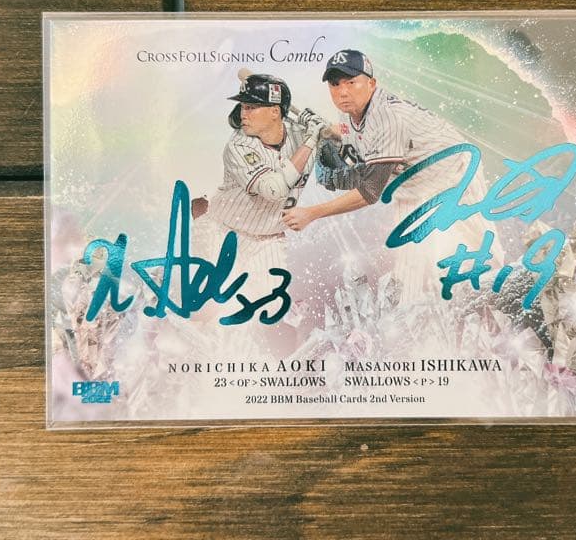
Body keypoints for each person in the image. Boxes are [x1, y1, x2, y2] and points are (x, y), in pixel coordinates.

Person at [282, 49, 503, 304]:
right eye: (335, 84)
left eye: (351, 82)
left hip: (454, 171)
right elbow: (354, 133)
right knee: (408, 272)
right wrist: (327, 130)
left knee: (485, 253)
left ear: (371, 83)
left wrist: (312, 213)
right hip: (411, 181)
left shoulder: (388, 117)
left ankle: (509, 294)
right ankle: (412, 317)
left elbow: (370, 192)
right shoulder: (350, 109)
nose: (342, 91)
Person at [191, 73, 323, 348]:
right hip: (223, 231)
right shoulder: (239, 144)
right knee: (208, 306)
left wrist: (326, 132)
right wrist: (312, 141)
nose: (243, 113)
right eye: (243, 106)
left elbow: (346, 152)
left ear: (275, 112)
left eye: (251, 107)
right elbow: (274, 189)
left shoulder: (300, 133)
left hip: (269, 239)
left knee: (269, 313)